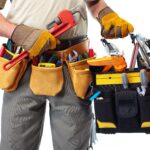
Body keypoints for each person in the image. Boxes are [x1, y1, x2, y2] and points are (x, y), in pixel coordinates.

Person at [0, 0, 134, 150]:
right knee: (14, 144)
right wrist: (18, 33)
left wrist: (106, 14)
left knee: (73, 145)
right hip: (22, 65)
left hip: (72, 66)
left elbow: (94, 2)